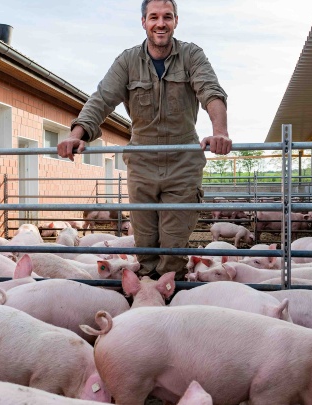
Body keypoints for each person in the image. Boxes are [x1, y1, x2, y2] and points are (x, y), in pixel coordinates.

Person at [57, 0, 231, 279]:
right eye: (154, 17)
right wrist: (76, 134)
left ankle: (169, 304)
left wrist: (220, 131)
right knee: (146, 247)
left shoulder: (191, 55)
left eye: (167, 17)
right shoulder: (127, 61)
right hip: (142, 162)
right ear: (144, 22)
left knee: (173, 249)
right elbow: (101, 99)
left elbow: (211, 91)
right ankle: (146, 304)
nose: (160, 23)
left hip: (182, 162)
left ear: (176, 21)